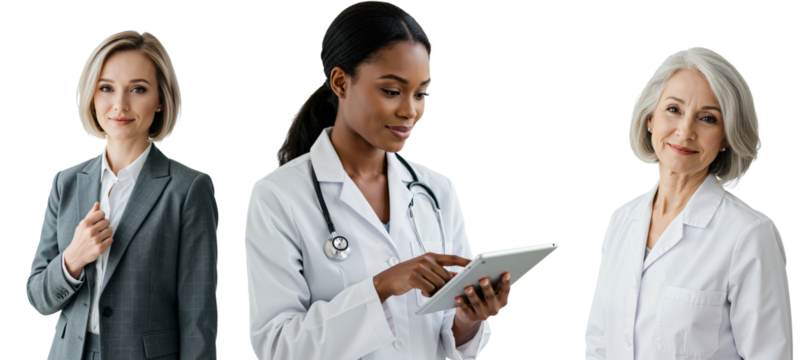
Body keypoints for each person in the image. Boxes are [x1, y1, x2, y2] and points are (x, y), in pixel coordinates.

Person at [244, 1, 512, 359]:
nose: (410, 111)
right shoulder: (278, 195)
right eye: (391, 91)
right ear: (340, 82)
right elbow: (277, 346)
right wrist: (383, 286)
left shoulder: (436, 190)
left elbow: (450, 339)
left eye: (421, 94)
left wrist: (468, 318)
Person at [584, 46, 792, 359]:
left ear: (726, 137)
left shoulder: (749, 234)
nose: (685, 132)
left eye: (707, 118)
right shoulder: (621, 220)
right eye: (673, 110)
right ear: (650, 118)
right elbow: (599, 344)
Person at [27, 29, 219, 360]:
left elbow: (198, 318)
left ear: (160, 99)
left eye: (138, 89)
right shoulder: (66, 181)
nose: (120, 105)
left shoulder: (189, 188)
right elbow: (39, 299)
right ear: (92, 95)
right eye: (106, 88)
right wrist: (73, 258)